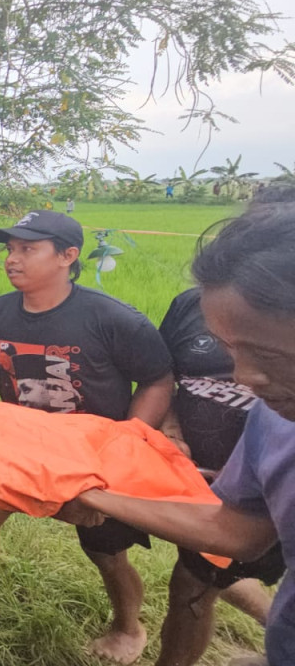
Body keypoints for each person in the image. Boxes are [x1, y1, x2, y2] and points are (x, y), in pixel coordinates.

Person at [0, 209, 174, 664]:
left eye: (28, 249)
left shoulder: (111, 318)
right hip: (19, 445)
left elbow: (158, 378)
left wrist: (130, 439)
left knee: (104, 549)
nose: (13, 259)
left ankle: (128, 628)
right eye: (10, 249)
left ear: (68, 256)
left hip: (89, 457)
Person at [77, 202, 295, 666]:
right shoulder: (273, 418)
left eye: (267, 356)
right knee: (192, 586)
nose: (243, 377)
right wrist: (93, 496)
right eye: (228, 349)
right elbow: (238, 530)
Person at [153, 285, 279, 665]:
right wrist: (170, 429)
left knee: (194, 581)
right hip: (193, 477)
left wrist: (252, 465)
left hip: (265, 488)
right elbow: (161, 375)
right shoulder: (191, 303)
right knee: (199, 574)